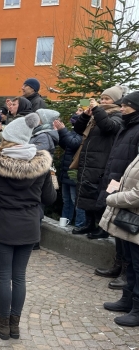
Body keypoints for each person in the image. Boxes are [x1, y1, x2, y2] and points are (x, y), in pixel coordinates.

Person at [0, 114, 57, 340]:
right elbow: (49, 199)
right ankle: (14, 325)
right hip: (29, 226)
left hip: (4, 224)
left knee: (3, 276)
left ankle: (3, 324)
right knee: (19, 277)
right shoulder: (41, 166)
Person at [94, 91, 139, 289]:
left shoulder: (136, 128)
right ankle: (119, 265)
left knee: (127, 227)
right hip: (118, 180)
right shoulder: (127, 125)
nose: (121, 108)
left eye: (126, 105)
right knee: (118, 227)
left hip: (129, 186)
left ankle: (126, 273)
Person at [71, 86, 123, 238]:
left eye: (107, 99)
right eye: (102, 98)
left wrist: (97, 110)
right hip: (90, 160)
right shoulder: (97, 115)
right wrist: (86, 116)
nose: (103, 101)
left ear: (116, 101)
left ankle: (102, 228)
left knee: (100, 194)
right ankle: (89, 224)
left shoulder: (118, 115)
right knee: (87, 192)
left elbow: (108, 127)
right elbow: (78, 130)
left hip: (103, 161)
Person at [100, 152, 139, 327]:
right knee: (131, 263)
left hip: (135, 218)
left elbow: (136, 196)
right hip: (131, 221)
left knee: (138, 267)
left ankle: (137, 310)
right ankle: (128, 300)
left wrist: (112, 198)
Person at [53, 118, 86, 229]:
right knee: (66, 200)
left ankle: (79, 225)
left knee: (75, 200)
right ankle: (64, 222)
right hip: (67, 171)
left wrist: (62, 130)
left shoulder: (84, 132)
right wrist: (59, 132)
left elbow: (73, 144)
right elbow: (66, 145)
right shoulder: (73, 132)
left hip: (74, 172)